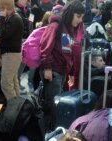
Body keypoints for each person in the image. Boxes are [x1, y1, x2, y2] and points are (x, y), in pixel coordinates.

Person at [40, 0, 85, 131]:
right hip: (54, 71)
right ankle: (49, 132)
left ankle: (54, 130)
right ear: (71, 13)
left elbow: (68, 51)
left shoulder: (69, 28)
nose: (80, 20)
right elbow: (45, 46)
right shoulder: (57, 25)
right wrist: (47, 68)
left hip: (62, 72)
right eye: (78, 16)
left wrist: (71, 71)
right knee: (52, 105)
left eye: (82, 17)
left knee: (57, 105)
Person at [0, 0, 24, 100]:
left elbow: (3, 33)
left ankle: (14, 108)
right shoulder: (14, 18)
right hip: (12, 55)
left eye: (0, 9)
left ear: (5, 8)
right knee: (13, 82)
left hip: (11, 55)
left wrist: (1, 17)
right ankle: (18, 107)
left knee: (6, 84)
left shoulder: (15, 19)